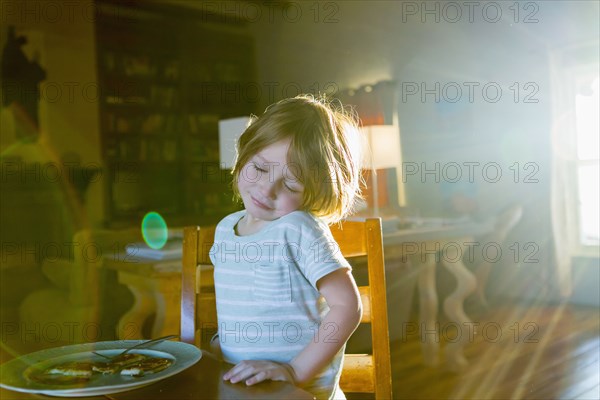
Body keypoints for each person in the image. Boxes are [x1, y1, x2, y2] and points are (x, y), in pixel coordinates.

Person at [209, 94, 364, 399]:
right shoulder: (225, 229)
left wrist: (294, 371)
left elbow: (348, 307)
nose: (267, 189)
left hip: (299, 391)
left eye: (291, 185)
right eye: (260, 168)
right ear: (244, 153)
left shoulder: (299, 229)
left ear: (313, 193)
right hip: (243, 388)